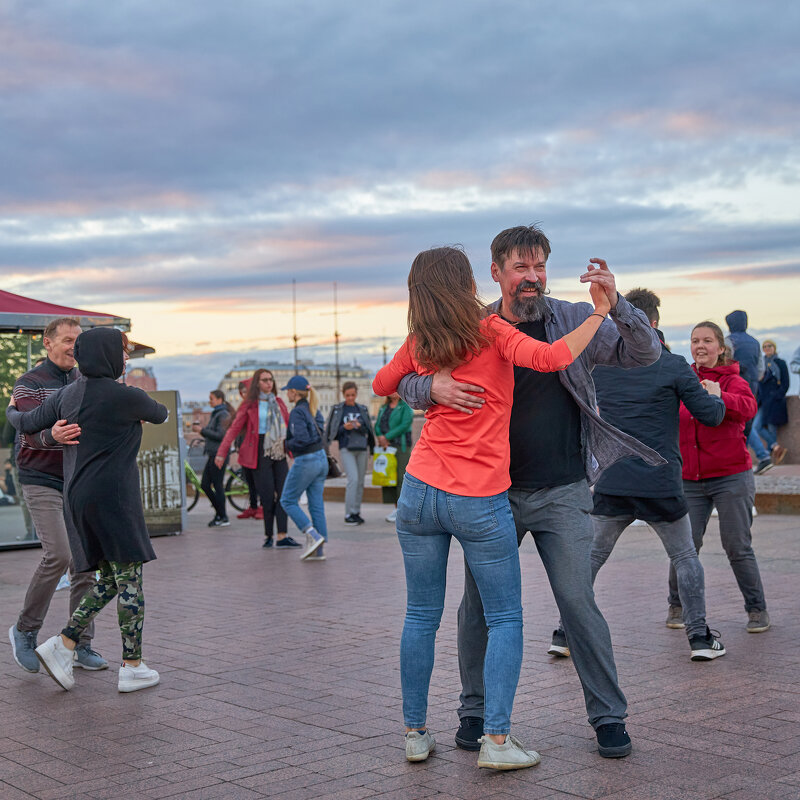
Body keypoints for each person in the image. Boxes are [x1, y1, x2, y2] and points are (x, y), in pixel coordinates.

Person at [398, 225, 663, 760]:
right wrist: (432, 387)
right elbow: (406, 375)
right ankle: (473, 714)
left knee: (577, 600)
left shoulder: (569, 318)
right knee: (478, 609)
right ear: (496, 273)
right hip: (488, 495)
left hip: (563, 489)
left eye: (539, 266)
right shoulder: (470, 325)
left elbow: (643, 355)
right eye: (521, 267)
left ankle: (608, 717)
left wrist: (617, 308)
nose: (532, 277)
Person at [564, 288, 727, 660]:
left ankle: (564, 632)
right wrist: (715, 394)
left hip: (613, 478)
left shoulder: (602, 366)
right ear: (654, 323)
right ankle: (699, 638)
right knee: (685, 556)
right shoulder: (672, 365)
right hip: (660, 479)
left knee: (590, 557)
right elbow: (711, 416)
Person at [7, 327, 168, 692]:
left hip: (77, 494)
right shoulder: (126, 396)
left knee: (108, 578)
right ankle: (132, 666)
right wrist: (138, 409)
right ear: (109, 355)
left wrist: (11, 410)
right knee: (130, 581)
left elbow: (25, 423)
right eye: (122, 352)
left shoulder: (68, 393)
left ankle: (64, 644)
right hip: (114, 497)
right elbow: (161, 414)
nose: (126, 358)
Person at [7, 317, 107, 675]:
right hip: (40, 478)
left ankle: (80, 643)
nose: (72, 347)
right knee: (59, 555)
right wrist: (53, 437)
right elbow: (28, 431)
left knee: (85, 563)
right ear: (47, 343)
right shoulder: (29, 383)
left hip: (78, 480)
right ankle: (25, 630)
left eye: (76, 342)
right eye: (66, 340)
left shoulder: (88, 382)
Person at [670, 321, 770, 633]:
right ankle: (676, 605)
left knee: (737, 545)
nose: (700, 346)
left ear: (720, 347)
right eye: (695, 340)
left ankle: (757, 610)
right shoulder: (681, 378)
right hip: (690, 479)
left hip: (731, 476)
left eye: (707, 341)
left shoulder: (733, 379)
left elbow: (749, 407)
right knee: (685, 546)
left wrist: (721, 396)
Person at [215, 369, 300, 549]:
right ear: (257, 383)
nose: (269, 383)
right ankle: (269, 535)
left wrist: (296, 449)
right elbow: (234, 429)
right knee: (267, 497)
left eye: (271, 380)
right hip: (259, 453)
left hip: (278, 450)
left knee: (284, 495)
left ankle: (282, 536)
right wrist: (222, 452)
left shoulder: (278, 402)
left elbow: (288, 425)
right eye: (264, 380)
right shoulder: (250, 405)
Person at [279, 375, 329, 561]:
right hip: (321, 459)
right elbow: (320, 432)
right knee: (316, 505)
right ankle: (319, 551)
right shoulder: (313, 408)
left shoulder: (297, 412)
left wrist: (287, 444)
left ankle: (312, 534)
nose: (287, 395)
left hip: (306, 460)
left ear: (294, 392)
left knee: (287, 500)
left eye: (288, 392)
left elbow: (301, 439)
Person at [325, 382, 375, 525]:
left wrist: (359, 427)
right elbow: (332, 433)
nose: (350, 398)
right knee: (352, 479)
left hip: (361, 448)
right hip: (346, 448)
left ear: (356, 394)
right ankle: (348, 514)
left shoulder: (362, 409)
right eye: (348, 395)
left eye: (353, 395)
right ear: (343, 394)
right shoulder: (338, 409)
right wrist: (344, 427)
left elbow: (368, 431)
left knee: (359, 482)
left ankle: (356, 512)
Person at [748, 339, 789, 474]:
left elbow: (785, 382)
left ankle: (774, 462)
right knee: (756, 427)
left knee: (772, 428)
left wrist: (777, 396)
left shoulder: (780, 363)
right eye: (764, 346)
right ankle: (776, 448)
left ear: (774, 347)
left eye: (769, 346)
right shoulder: (761, 365)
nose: (767, 348)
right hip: (762, 402)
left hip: (775, 401)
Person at [194, 389, 232, 527]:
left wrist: (202, 431)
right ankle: (220, 514)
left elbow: (221, 436)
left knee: (216, 485)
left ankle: (222, 516)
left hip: (219, 455)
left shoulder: (223, 414)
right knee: (206, 485)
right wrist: (202, 432)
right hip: (213, 453)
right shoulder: (217, 414)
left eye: (212, 399)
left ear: (220, 399)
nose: (210, 401)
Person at [375, 392, 414, 523]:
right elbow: (377, 425)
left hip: (400, 446)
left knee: (400, 478)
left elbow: (405, 425)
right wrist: (380, 437)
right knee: (389, 478)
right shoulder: (383, 407)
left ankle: (402, 510)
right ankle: (396, 508)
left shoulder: (405, 407)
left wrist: (387, 437)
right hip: (386, 448)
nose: (393, 393)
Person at [724, 310, 762, 440]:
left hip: (734, 383)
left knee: (735, 421)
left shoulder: (728, 341)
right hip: (753, 383)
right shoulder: (755, 342)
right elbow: (760, 368)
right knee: (748, 419)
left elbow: (724, 363)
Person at [234, 379, 262, 520]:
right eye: (242, 392)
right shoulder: (243, 406)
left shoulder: (258, 406)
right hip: (245, 450)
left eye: (246, 391)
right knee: (249, 481)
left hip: (256, 451)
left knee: (259, 480)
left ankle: (262, 507)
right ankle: (253, 506)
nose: (244, 394)